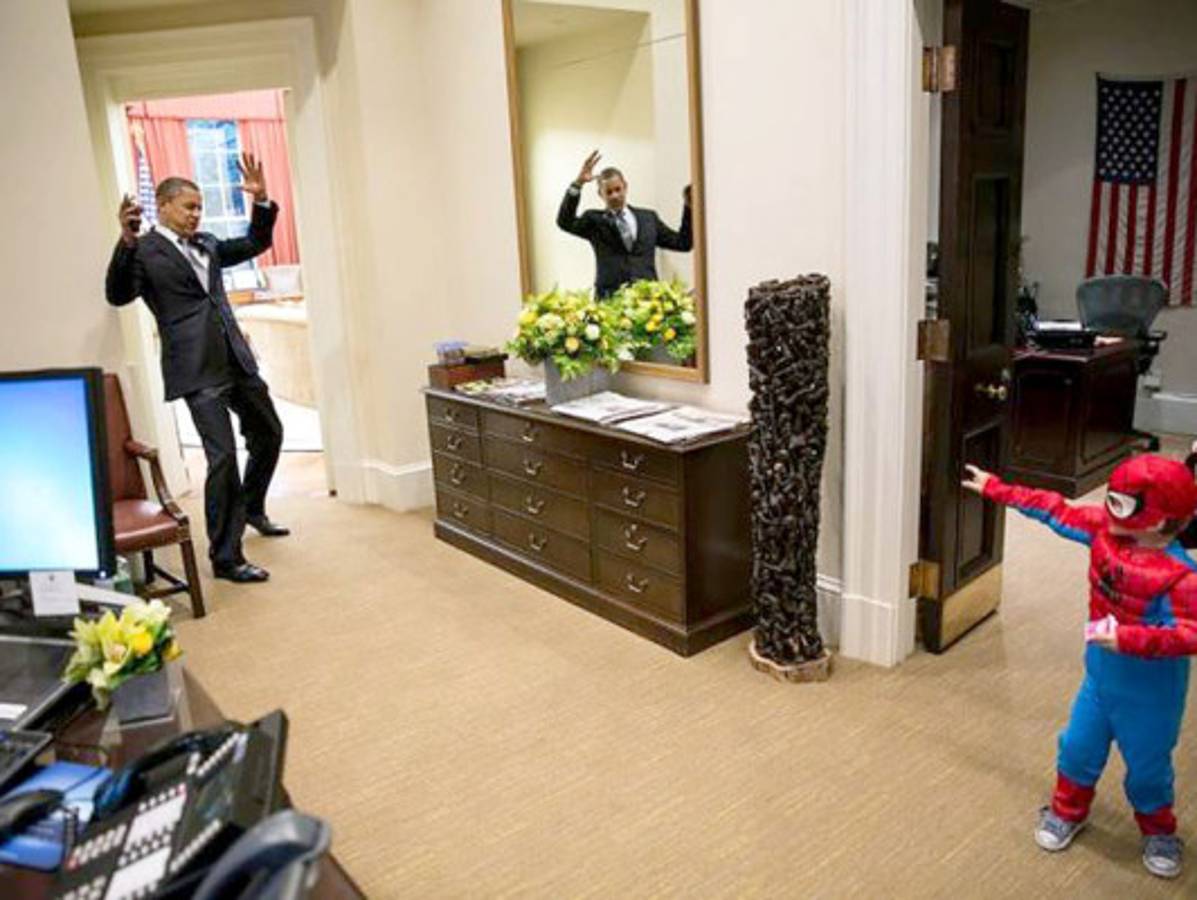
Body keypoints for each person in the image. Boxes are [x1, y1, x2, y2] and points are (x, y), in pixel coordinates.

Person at [963, 455, 1197, 879]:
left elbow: (1189, 633)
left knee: (1148, 770)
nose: (1111, 509)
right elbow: (1055, 509)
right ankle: (1067, 810)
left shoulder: (1182, 577)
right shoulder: (1103, 531)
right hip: (1100, 679)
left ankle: (1159, 831)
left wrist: (1128, 638)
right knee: (1076, 750)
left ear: (1161, 521)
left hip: (1152, 696)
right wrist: (997, 488)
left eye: (1123, 503)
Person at [106, 155, 289, 584]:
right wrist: (126, 241)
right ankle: (226, 557)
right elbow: (117, 294)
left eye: (200, 207)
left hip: (235, 359)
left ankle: (252, 507)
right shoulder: (144, 251)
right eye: (189, 207)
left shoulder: (207, 243)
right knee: (222, 456)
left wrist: (262, 201)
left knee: (269, 432)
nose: (196, 214)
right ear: (164, 205)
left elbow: (256, 243)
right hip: (196, 368)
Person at [556, 150, 692, 298]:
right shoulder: (594, 220)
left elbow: (683, 243)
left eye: (618, 189)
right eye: (609, 192)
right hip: (610, 300)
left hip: (648, 300)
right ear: (600, 194)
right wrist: (578, 184)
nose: (615, 195)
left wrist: (689, 206)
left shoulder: (648, 218)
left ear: (625, 186)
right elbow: (564, 222)